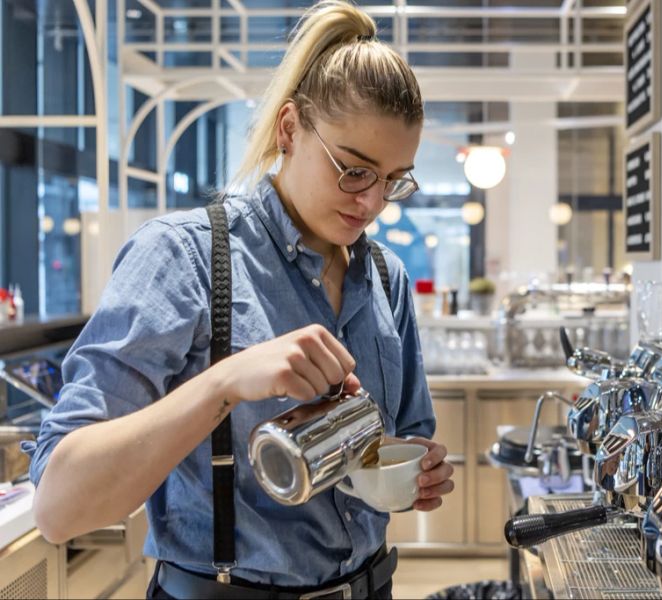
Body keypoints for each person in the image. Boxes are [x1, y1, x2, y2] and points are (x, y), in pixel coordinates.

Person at [23, 1, 453, 597]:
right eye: (354, 171)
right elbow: (60, 508)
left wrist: (418, 473)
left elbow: (401, 438)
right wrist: (224, 382)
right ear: (288, 130)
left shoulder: (387, 276)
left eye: (393, 180)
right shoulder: (184, 259)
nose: (373, 203)